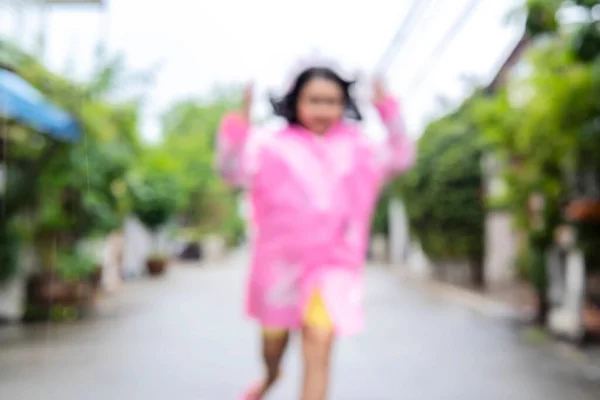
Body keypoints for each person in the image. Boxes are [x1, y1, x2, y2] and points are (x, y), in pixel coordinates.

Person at [216, 61, 415, 400]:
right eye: (314, 100)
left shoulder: (359, 147)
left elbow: (399, 157)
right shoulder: (269, 146)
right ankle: (271, 375)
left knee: (320, 344)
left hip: (333, 267)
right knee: (273, 344)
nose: (324, 109)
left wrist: (389, 111)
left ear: (343, 104)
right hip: (279, 267)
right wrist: (237, 131)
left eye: (332, 101)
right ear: (295, 102)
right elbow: (230, 171)